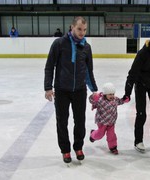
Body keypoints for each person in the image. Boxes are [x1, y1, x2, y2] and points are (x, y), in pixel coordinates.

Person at [44, 16, 98, 164]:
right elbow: (49, 66)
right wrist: (48, 87)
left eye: (85, 30)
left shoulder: (86, 47)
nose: (82, 32)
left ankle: (78, 147)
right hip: (62, 89)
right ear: (72, 27)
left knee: (80, 121)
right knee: (62, 121)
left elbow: (89, 70)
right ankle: (65, 150)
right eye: (79, 29)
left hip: (80, 90)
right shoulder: (59, 43)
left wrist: (94, 90)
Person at [89, 82, 129, 155]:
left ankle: (113, 147)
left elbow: (120, 101)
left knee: (111, 135)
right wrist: (94, 97)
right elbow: (92, 101)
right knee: (100, 135)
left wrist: (124, 100)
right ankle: (93, 134)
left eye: (113, 94)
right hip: (102, 121)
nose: (112, 96)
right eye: (110, 94)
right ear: (105, 94)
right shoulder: (100, 100)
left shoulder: (115, 99)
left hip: (111, 121)